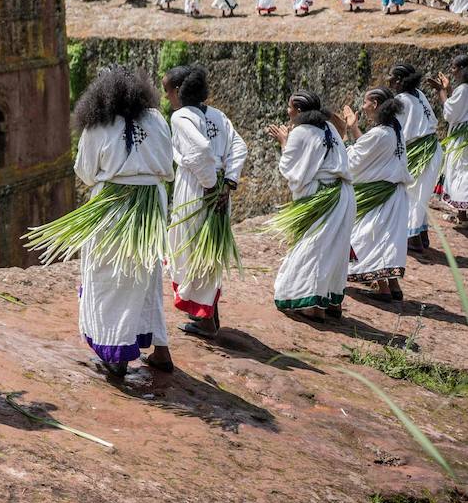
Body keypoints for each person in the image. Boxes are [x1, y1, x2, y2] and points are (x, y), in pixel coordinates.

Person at [28, 68, 174, 378]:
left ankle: (116, 354)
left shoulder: (98, 125)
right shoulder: (157, 119)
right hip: (151, 203)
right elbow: (167, 165)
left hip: (112, 207)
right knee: (146, 274)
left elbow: (85, 170)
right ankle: (160, 349)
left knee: (109, 278)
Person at [163, 66, 247, 337]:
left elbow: (200, 150)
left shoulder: (181, 117)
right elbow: (238, 147)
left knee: (192, 248)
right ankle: (207, 317)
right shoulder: (218, 115)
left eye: (167, 91)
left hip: (198, 190)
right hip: (219, 189)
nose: (166, 98)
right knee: (209, 250)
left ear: (177, 91)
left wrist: (211, 186)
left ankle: (206, 320)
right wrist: (228, 182)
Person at [265, 92, 355, 320]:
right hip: (343, 194)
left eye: (289, 107)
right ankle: (333, 301)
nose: (287, 112)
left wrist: (284, 141)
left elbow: (290, 169)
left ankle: (313, 306)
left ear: (297, 109)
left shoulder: (301, 132)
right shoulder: (330, 128)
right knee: (335, 249)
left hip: (322, 196)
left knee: (313, 248)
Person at [341, 88, 411, 301]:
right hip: (393, 194)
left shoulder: (381, 133)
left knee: (370, 237)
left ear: (376, 103)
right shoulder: (394, 128)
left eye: (365, 102)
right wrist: (354, 128)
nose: (362, 107)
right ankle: (393, 285)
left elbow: (356, 159)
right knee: (385, 238)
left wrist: (345, 137)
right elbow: (369, 150)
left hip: (380, 195)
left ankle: (383, 288)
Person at [388, 64, 440, 252]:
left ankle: (413, 239)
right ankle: (421, 235)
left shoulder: (401, 100)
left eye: (392, 78)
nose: (390, 82)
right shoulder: (419, 93)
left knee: (412, 194)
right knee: (420, 194)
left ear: (401, 80)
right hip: (431, 148)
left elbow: (397, 131)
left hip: (421, 151)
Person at [436, 54, 468, 225]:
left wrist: (441, 92)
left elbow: (450, 113)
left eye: (455, 67)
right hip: (464, 136)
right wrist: (448, 89)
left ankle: (463, 217)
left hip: (462, 138)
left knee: (461, 172)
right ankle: (463, 215)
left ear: (463, 69)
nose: (452, 71)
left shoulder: (463, 88)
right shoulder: (464, 89)